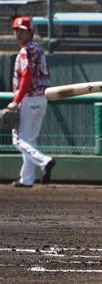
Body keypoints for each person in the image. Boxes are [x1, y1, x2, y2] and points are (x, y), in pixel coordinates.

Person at [8, 16, 55, 188]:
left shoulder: (25, 51)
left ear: (30, 32)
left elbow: (27, 77)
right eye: (16, 31)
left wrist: (16, 101)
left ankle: (44, 161)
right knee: (30, 139)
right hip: (42, 99)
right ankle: (26, 179)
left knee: (18, 140)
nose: (19, 34)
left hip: (28, 99)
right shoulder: (38, 48)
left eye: (22, 31)